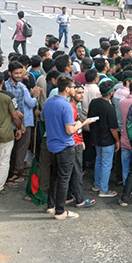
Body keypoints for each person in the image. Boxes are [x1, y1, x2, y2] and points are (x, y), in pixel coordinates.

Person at [42, 76, 89, 220]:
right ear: (68, 89)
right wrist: (82, 124)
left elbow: (43, 118)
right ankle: (60, 211)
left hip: (52, 144)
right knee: (63, 178)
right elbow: (69, 130)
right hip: (65, 145)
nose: (75, 90)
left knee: (54, 177)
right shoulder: (67, 106)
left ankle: (51, 206)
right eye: (74, 87)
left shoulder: (49, 101)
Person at [5, 61, 41, 183]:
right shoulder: (16, 87)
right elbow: (20, 109)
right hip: (16, 122)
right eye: (16, 73)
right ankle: (15, 173)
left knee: (15, 149)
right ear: (10, 73)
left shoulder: (19, 86)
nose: (19, 75)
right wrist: (35, 97)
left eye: (21, 73)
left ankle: (14, 172)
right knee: (19, 149)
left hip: (17, 122)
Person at [88, 79, 121, 198]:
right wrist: (118, 140)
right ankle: (104, 189)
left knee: (99, 160)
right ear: (111, 92)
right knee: (107, 164)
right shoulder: (109, 108)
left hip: (96, 137)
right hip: (107, 139)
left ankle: (97, 184)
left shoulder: (94, 102)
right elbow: (113, 128)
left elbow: (90, 120)